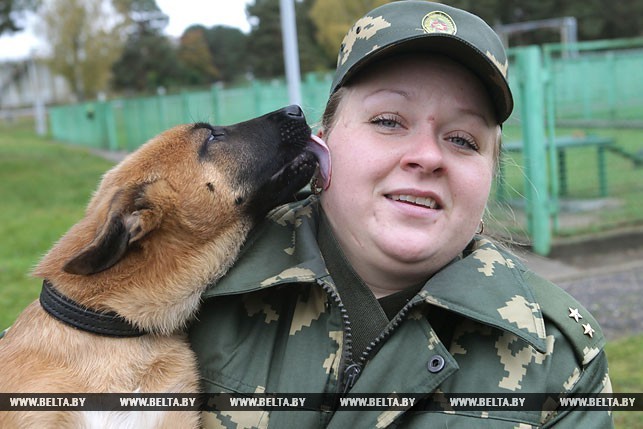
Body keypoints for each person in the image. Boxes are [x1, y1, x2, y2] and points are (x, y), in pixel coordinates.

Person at [188, 1, 614, 428]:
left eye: (464, 140)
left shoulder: (557, 361)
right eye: (389, 121)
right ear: (322, 144)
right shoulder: (190, 287)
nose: (427, 157)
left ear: (488, 176)